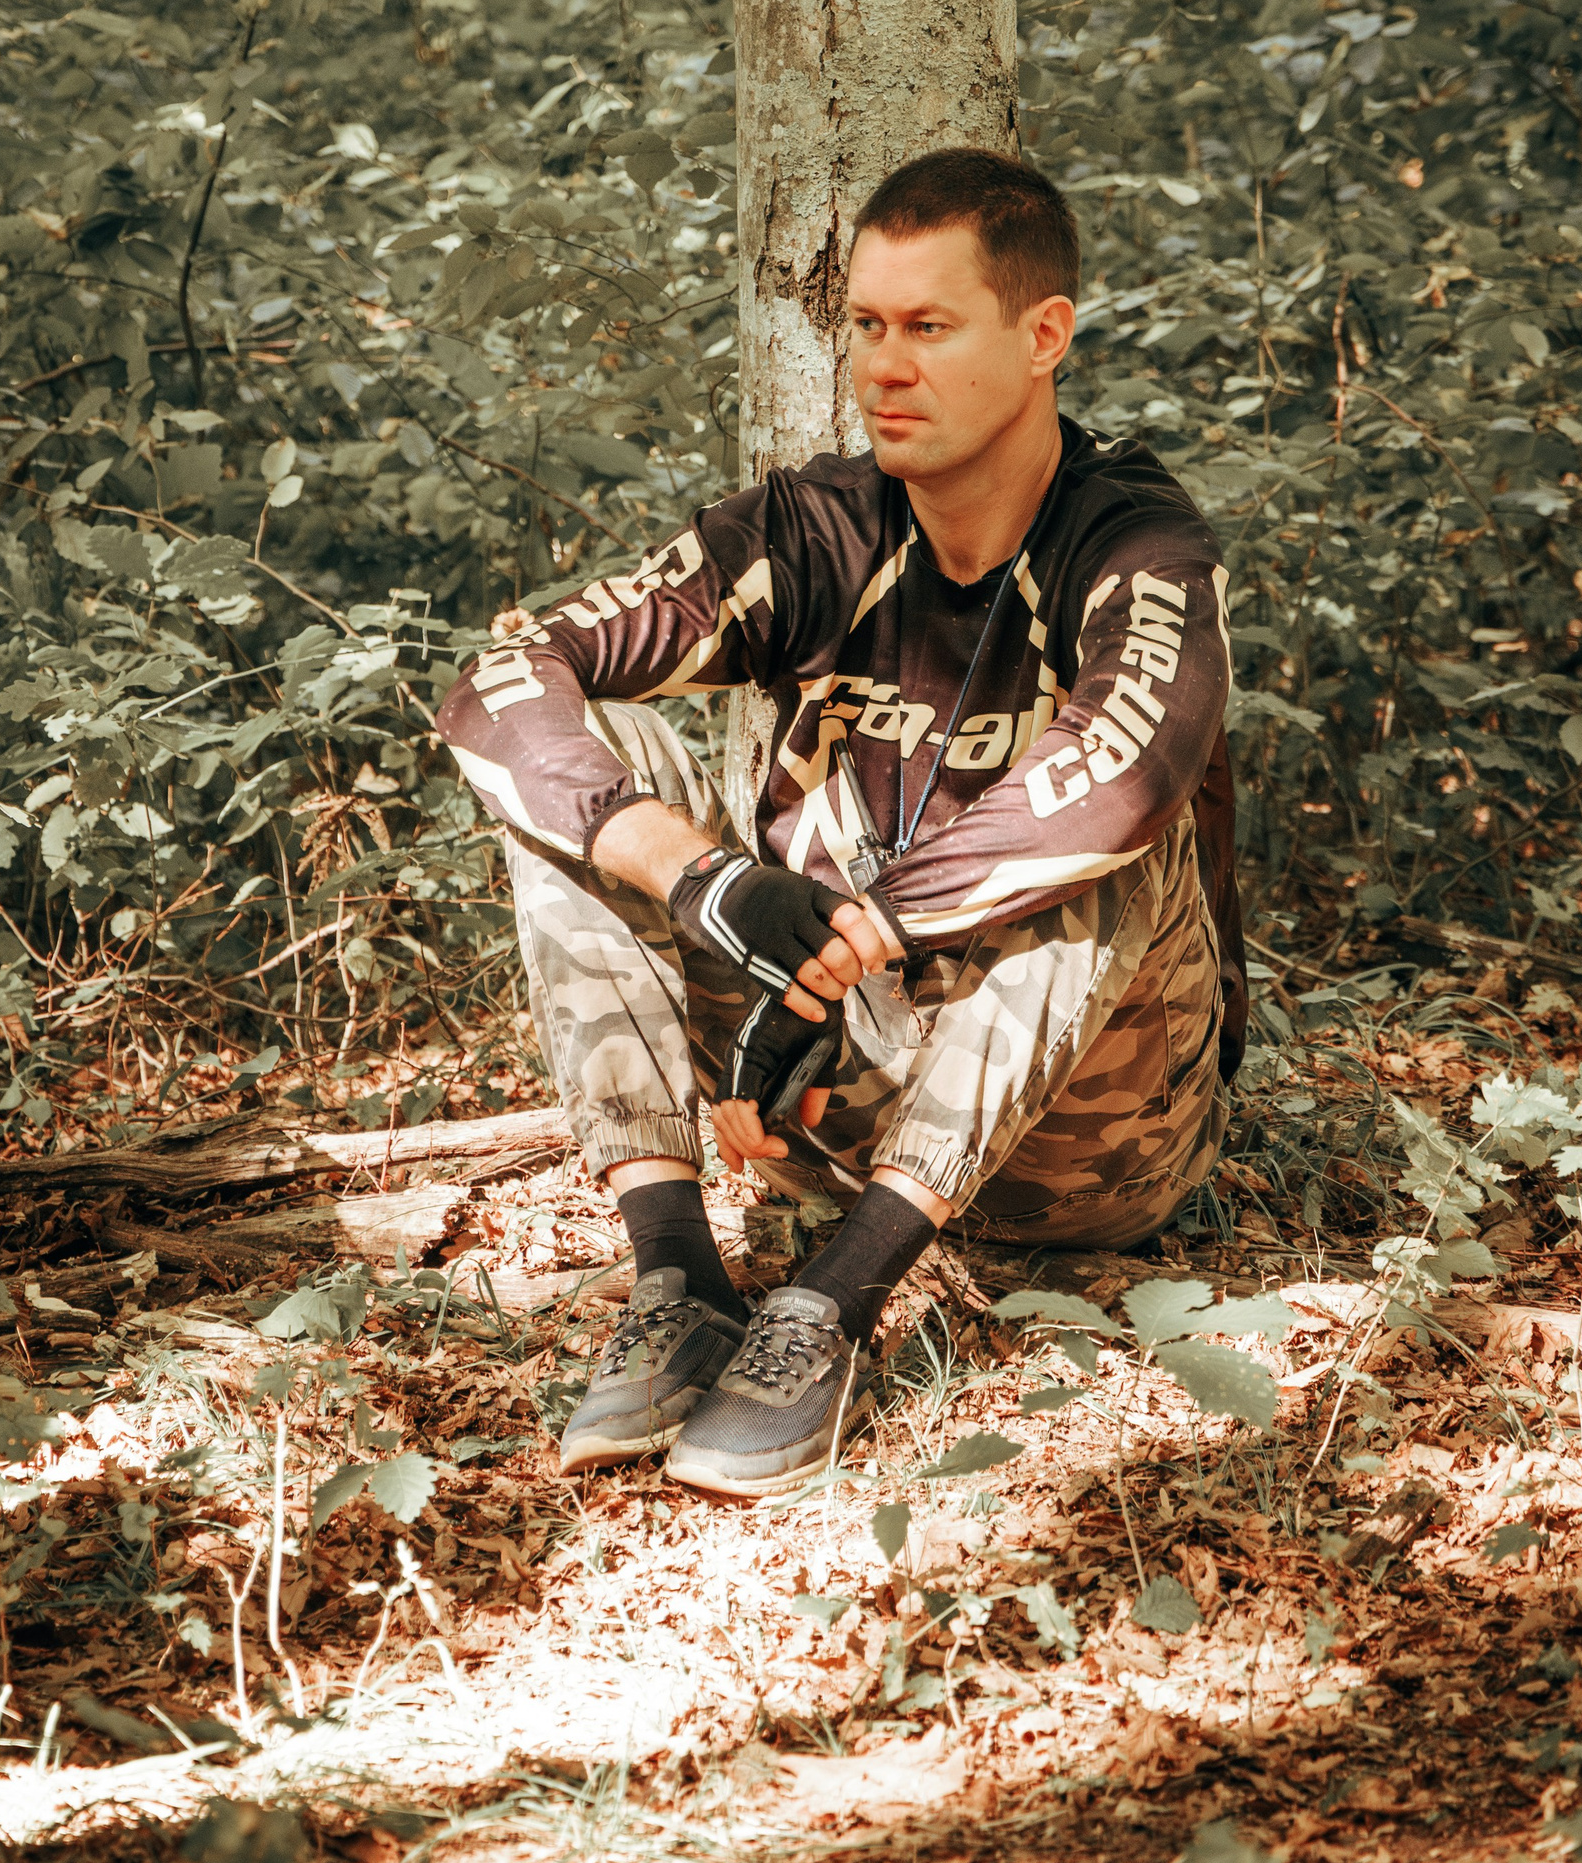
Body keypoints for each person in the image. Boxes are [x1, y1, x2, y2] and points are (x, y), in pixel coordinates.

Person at [434, 149, 1246, 1498]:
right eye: (866, 324)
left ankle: (835, 1303)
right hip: (828, 1091)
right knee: (595, 775)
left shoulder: (1134, 546)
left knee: (1116, 828)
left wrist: (863, 932)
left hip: (1090, 1147)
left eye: (929, 326)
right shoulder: (813, 532)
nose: (884, 366)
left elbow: (1130, 765)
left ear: (1044, 336)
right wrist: (702, 882)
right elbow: (502, 683)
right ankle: (680, 1278)